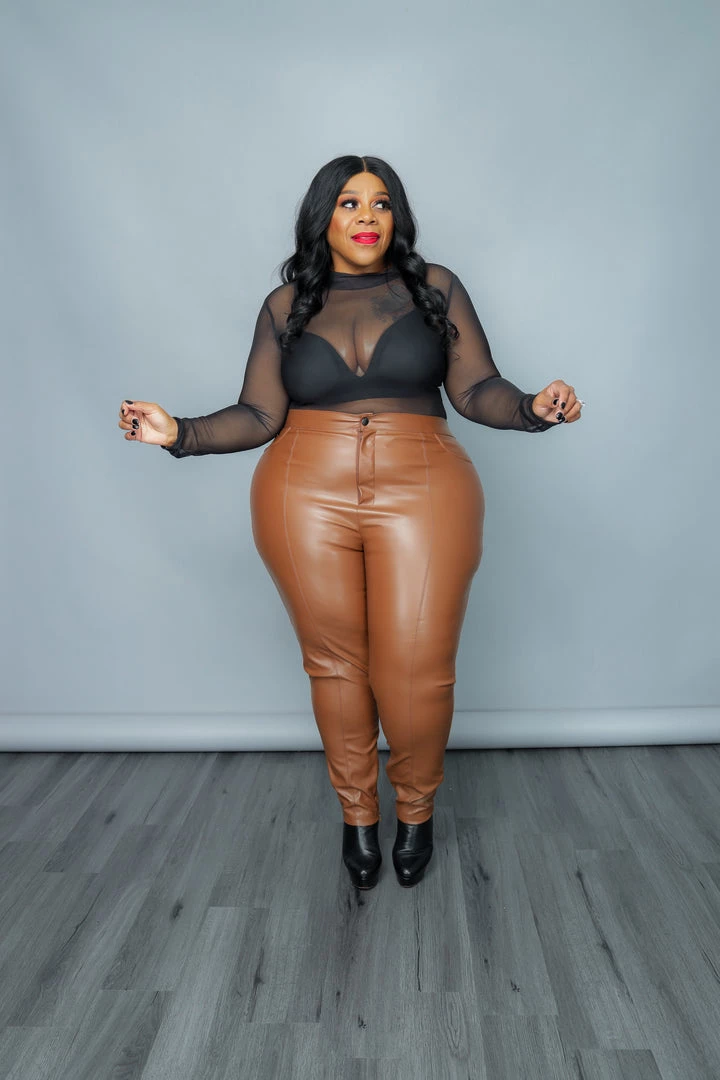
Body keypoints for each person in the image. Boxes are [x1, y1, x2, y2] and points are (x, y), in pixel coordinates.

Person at [117, 154, 583, 891]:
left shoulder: (435, 288)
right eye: (349, 203)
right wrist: (180, 432)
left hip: (424, 480)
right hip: (303, 485)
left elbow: (476, 389)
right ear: (322, 218)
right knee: (334, 664)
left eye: (381, 203)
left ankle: (417, 811)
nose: (368, 216)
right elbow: (260, 413)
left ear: (397, 217)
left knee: (417, 666)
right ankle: (358, 816)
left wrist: (532, 409)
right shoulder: (286, 304)